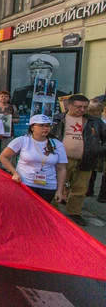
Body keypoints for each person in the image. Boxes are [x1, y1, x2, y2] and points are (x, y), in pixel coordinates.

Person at [50, 95, 106, 225]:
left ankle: (75, 212)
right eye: (79, 106)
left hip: (85, 159)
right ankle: (52, 211)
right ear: (69, 106)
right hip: (61, 159)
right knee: (56, 185)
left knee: (80, 188)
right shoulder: (58, 119)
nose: (82, 109)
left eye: (85, 107)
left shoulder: (94, 122)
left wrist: (99, 149)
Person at [0, 115, 67, 203]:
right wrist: (14, 173)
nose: (45, 128)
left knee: (42, 214)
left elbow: (61, 168)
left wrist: (59, 190)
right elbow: (3, 157)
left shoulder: (57, 144)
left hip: (48, 186)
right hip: (25, 183)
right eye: (41, 125)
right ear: (32, 127)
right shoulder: (22, 140)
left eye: (48, 125)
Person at [86, 99, 106, 202]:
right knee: (91, 169)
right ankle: (91, 191)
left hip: (97, 148)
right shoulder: (95, 121)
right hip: (93, 149)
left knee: (93, 169)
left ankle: (99, 194)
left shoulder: (99, 122)